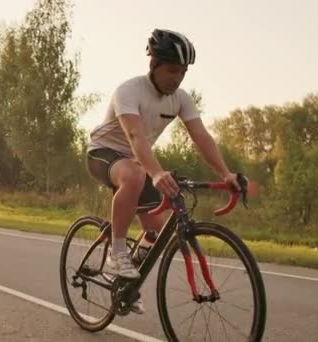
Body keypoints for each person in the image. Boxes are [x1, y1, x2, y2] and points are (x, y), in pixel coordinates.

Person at [86, 28, 242, 314]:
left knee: (156, 231)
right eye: (172, 70)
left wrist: (225, 174)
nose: (178, 78)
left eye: (183, 72)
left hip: (137, 160)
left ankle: (126, 284)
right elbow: (135, 138)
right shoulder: (129, 91)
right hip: (104, 153)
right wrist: (156, 173)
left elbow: (202, 137)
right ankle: (117, 252)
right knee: (135, 175)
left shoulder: (181, 98)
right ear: (153, 65)